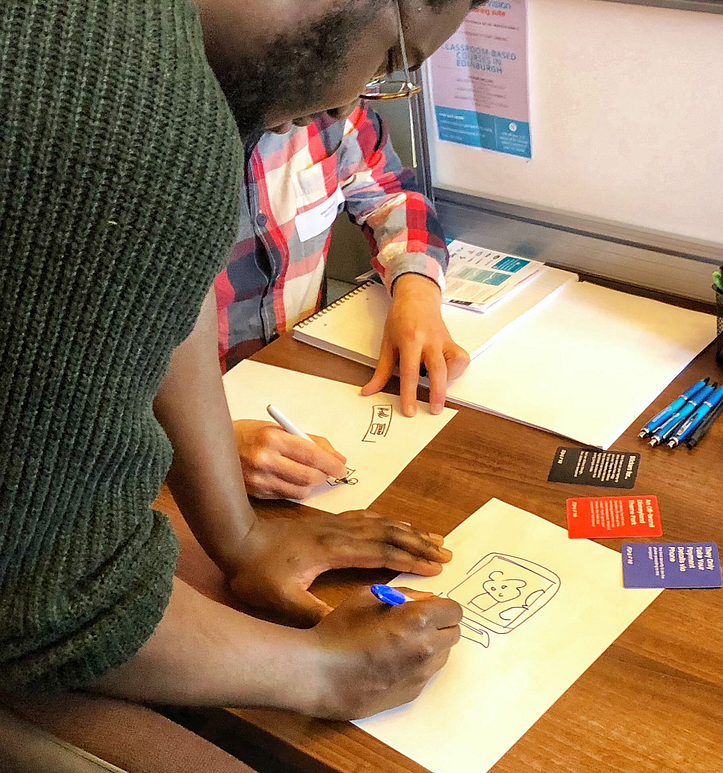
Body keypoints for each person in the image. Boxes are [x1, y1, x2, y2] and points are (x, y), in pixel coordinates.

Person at [0, 0, 478, 725]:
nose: (349, 100)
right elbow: (53, 595)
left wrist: (242, 533)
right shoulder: (128, 108)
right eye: (386, 62)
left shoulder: (173, 64)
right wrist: (323, 672)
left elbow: (170, 286)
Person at [221, 101, 469, 500]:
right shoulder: (135, 142)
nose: (347, 102)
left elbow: (394, 196)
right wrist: (207, 447)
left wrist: (416, 290)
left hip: (298, 374)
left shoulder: (335, 109)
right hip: (167, 428)